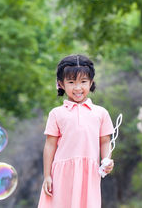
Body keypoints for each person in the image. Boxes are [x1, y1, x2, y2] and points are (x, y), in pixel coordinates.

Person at [37, 54, 115, 208]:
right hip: (61, 174)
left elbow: (105, 142)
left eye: (83, 82)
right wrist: (47, 176)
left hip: (89, 173)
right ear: (61, 84)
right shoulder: (56, 113)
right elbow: (50, 146)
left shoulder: (101, 113)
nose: (78, 88)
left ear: (91, 83)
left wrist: (106, 161)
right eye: (71, 82)